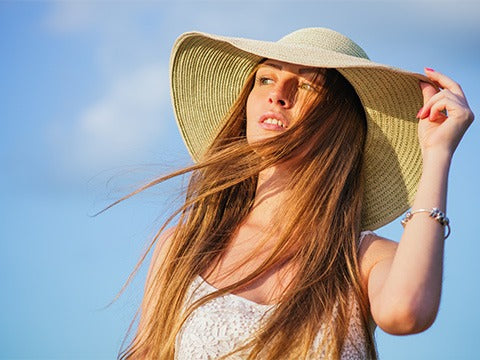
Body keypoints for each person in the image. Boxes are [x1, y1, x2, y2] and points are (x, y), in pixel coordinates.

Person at [117, 28, 474, 359]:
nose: (277, 94)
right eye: (266, 78)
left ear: (341, 122)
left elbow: (407, 312)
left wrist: (437, 154)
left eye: (306, 86)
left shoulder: (362, 259)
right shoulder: (184, 246)